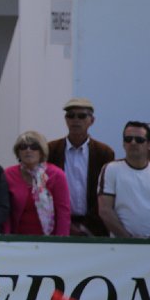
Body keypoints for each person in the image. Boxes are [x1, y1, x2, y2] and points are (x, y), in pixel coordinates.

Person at [46, 98, 115, 237]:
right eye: (71, 116)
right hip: (58, 225)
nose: (75, 120)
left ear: (92, 120)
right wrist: (65, 223)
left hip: (95, 228)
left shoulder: (104, 152)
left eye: (82, 116)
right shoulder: (50, 150)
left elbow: (106, 193)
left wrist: (86, 226)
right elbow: (46, 191)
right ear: (66, 120)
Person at [97, 120, 150, 239]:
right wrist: (129, 241)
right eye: (128, 139)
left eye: (139, 140)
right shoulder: (111, 169)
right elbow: (105, 210)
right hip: (121, 245)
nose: (133, 143)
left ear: (149, 144)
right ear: (123, 143)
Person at [3, 131, 71, 236]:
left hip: (49, 239)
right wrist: (6, 239)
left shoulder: (57, 175)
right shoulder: (8, 174)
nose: (28, 150)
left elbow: (63, 212)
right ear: (18, 152)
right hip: (17, 239)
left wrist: (61, 241)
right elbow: (5, 213)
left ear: (42, 151)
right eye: (23, 147)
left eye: (34, 147)